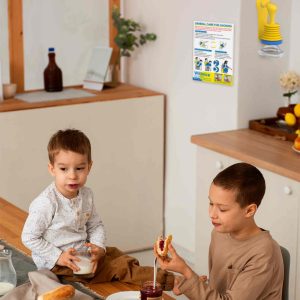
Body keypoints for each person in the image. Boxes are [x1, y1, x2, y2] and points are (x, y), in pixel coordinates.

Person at [22, 129, 174, 290]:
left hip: (82, 252)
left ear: (89, 167)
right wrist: (58, 257)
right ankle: (172, 282)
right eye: (64, 169)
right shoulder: (46, 202)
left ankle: (137, 275)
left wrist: (98, 246)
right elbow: (29, 237)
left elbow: (95, 225)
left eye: (79, 168)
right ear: (52, 169)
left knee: (115, 253)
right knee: (121, 268)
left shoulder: (86, 195)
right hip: (61, 265)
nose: (72, 175)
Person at [155, 163, 284, 299]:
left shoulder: (264, 253)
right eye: (211, 203)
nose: (212, 214)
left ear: (249, 210)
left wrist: (186, 271)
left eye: (222, 209)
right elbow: (217, 289)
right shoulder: (219, 234)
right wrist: (188, 281)